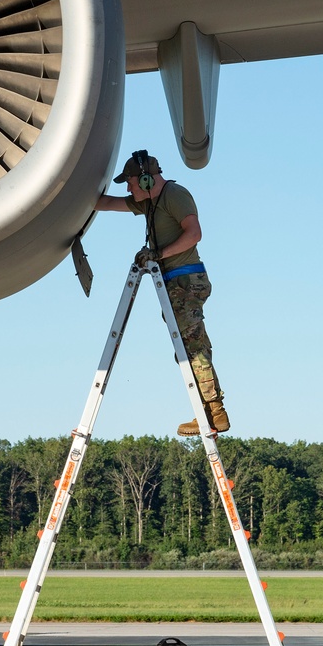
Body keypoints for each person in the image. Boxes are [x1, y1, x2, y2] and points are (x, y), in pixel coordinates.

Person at [95, 150, 228, 436]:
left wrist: (159, 254)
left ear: (145, 180)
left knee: (192, 349)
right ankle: (211, 410)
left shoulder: (174, 195)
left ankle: (213, 412)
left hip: (186, 281)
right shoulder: (150, 203)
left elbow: (194, 234)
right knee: (191, 346)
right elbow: (105, 203)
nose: (129, 189)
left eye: (130, 183)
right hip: (174, 282)